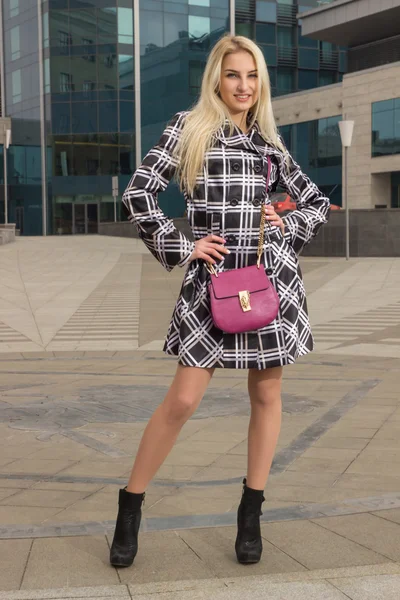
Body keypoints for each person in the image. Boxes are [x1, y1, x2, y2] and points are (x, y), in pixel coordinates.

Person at [110, 34, 330, 568]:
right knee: (183, 400)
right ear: (216, 78)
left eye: (252, 76)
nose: (244, 86)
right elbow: (137, 193)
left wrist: (288, 220)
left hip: (268, 277)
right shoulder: (188, 130)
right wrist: (185, 245)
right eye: (234, 75)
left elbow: (318, 201)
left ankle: (250, 514)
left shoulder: (269, 143)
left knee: (267, 395)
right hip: (211, 279)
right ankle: (130, 509)